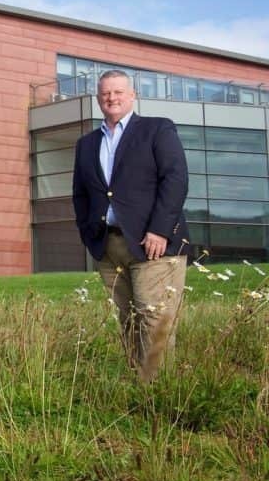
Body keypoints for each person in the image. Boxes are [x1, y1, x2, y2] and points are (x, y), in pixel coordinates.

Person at [72, 69, 189, 381]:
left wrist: (160, 230)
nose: (112, 98)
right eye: (105, 93)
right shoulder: (86, 144)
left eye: (118, 92)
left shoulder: (157, 129)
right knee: (128, 319)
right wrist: (88, 234)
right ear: (99, 99)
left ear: (132, 95)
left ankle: (156, 392)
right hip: (108, 246)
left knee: (154, 318)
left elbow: (175, 179)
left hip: (153, 243)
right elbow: (81, 194)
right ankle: (137, 380)